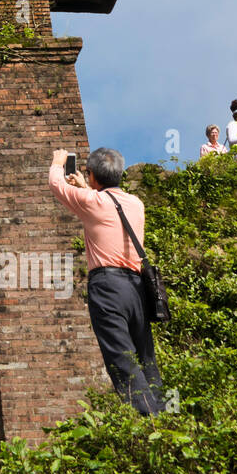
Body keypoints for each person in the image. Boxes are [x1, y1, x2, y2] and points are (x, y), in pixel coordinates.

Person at [49, 148, 165, 415]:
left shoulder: (92, 202)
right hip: (137, 287)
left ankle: (147, 419)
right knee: (146, 355)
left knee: (120, 356)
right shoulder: (136, 203)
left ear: (92, 175)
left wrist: (58, 162)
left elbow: (56, 184)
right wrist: (87, 187)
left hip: (108, 286)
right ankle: (164, 415)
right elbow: (107, 205)